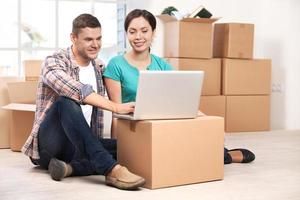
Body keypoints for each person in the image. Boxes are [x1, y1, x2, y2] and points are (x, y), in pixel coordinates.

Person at [103, 9, 255, 165]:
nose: (138, 37)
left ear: (153, 33)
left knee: (180, 149)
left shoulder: (162, 65)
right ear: (127, 34)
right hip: (132, 128)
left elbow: (179, 102)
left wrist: (211, 123)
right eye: (132, 31)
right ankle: (223, 155)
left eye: (144, 31)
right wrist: (118, 148)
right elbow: (116, 112)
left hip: (161, 127)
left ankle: (221, 153)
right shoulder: (116, 64)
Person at [21, 13, 146, 190]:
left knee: (133, 148)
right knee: (65, 102)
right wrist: (115, 106)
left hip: (81, 144)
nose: (95, 45)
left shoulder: (99, 67)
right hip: (49, 146)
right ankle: (111, 170)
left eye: (99, 38)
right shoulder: (54, 61)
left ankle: (70, 168)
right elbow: (76, 90)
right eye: (88, 39)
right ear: (73, 38)